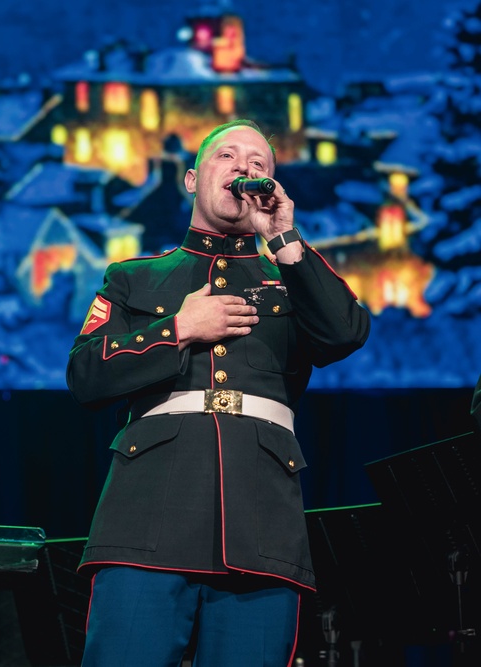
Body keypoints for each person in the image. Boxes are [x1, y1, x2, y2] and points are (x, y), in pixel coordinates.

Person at [67, 119, 371, 666]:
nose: (243, 169)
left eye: (258, 163)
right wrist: (178, 329)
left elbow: (345, 333)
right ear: (191, 180)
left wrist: (284, 240)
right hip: (149, 517)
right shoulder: (135, 278)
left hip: (261, 524)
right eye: (227, 157)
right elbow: (86, 375)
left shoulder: (291, 279)